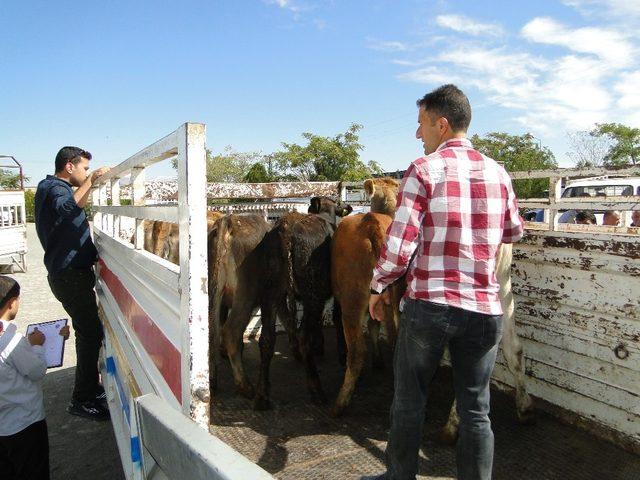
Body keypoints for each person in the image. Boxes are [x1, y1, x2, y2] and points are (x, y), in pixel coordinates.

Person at [366, 85, 524, 480]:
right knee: (476, 407)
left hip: (430, 307)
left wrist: (378, 286)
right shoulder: (499, 172)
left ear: (442, 123)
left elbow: (400, 245)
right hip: (484, 309)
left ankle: (399, 477)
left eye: (421, 124)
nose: (418, 135)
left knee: (409, 401)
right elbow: (513, 231)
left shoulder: (423, 170)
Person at [34, 147, 111, 421]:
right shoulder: (54, 188)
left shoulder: (55, 188)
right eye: (85, 168)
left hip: (70, 275)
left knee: (90, 332)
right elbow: (68, 209)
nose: (86, 173)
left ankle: (91, 388)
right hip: (69, 275)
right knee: (89, 334)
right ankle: (81, 399)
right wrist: (92, 181)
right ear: (70, 166)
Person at [0, 275, 69, 480]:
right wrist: (38, 346)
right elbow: (36, 370)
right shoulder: (10, 341)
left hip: (3, 427)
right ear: (12, 303)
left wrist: (46, 340)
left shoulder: (12, 341)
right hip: (25, 424)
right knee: (33, 471)